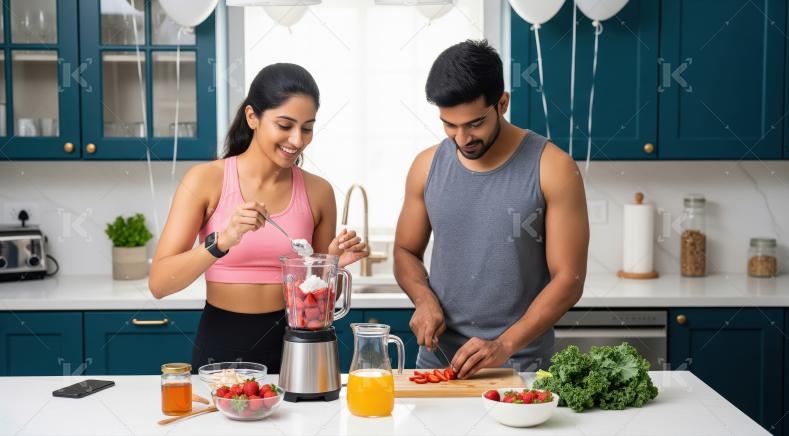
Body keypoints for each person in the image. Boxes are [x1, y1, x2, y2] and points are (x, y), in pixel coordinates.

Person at [149, 63, 368, 373]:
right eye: (284, 125)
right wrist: (222, 242)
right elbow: (160, 284)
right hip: (223, 341)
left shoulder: (319, 192)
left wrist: (329, 266)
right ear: (252, 117)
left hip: (299, 343)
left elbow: (319, 307)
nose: (297, 139)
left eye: (307, 127)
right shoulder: (204, 180)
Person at [394, 40, 589, 378]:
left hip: (521, 368)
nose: (461, 138)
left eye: (474, 124)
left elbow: (569, 279)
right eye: (449, 125)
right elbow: (405, 250)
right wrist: (424, 299)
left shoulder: (554, 168)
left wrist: (504, 345)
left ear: (502, 103)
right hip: (439, 368)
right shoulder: (426, 166)